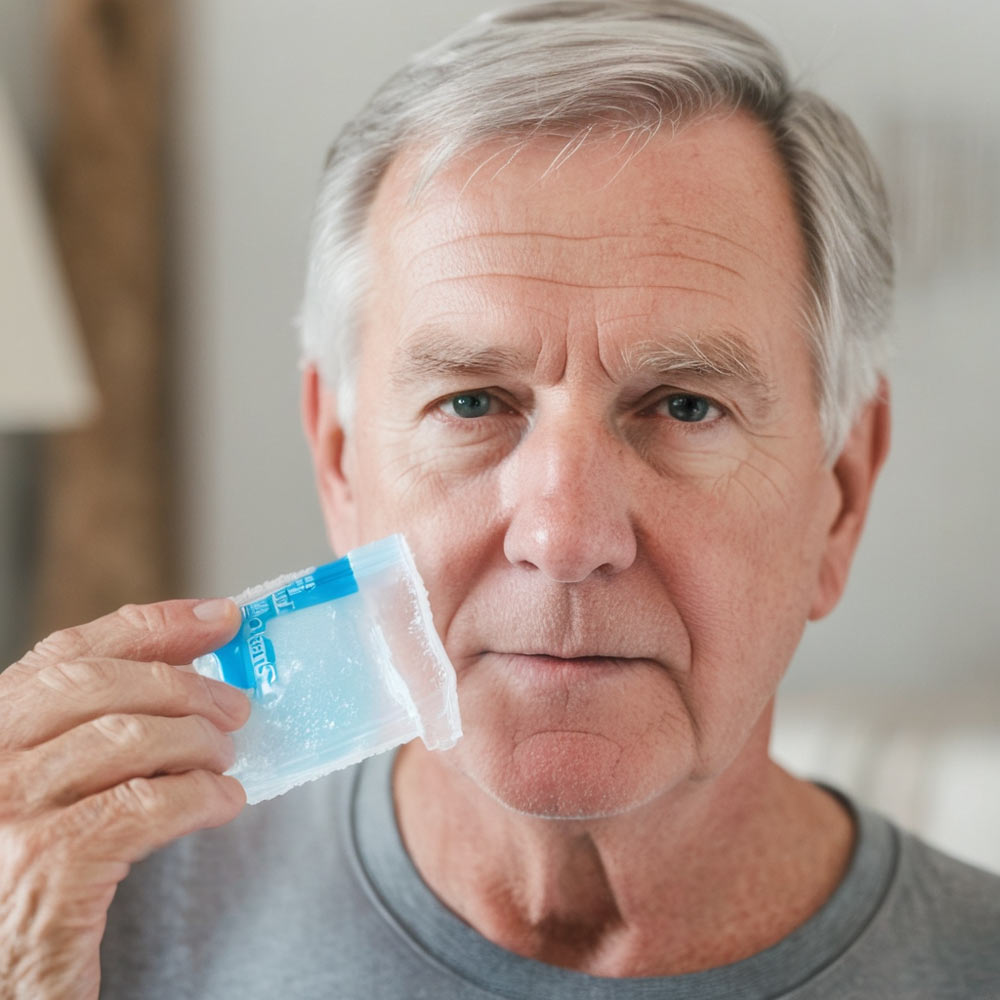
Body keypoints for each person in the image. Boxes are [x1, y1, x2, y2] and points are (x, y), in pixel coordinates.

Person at [2, 2, 998, 997]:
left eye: (685, 405)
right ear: (340, 461)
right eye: (471, 401)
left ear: (843, 489)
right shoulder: (75, 918)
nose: (564, 537)